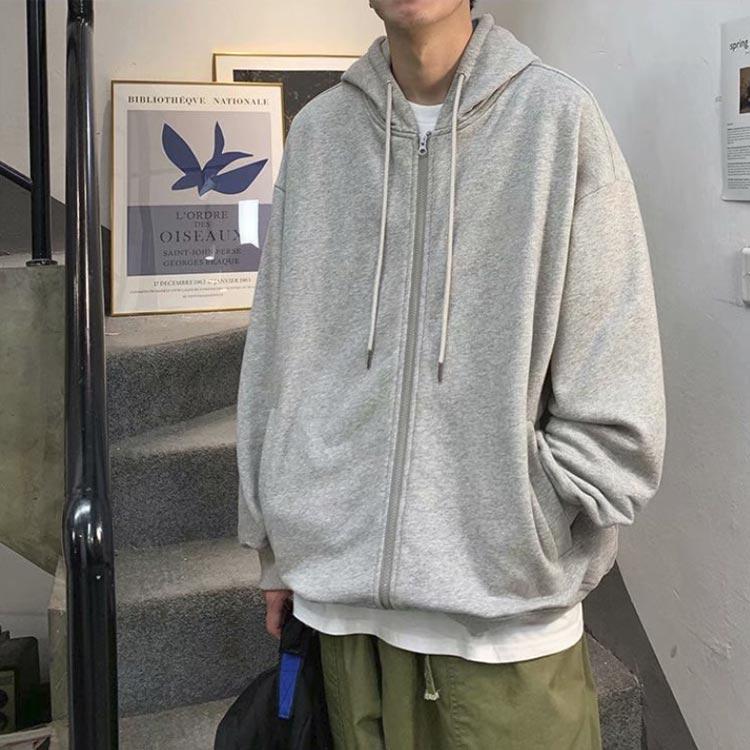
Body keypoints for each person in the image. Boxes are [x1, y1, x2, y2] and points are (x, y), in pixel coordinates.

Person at [236, 1, 666, 747]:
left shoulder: (557, 122)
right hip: (341, 628)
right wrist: (276, 546)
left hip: (505, 636)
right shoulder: (320, 135)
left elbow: (618, 383)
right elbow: (275, 350)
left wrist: (529, 513)